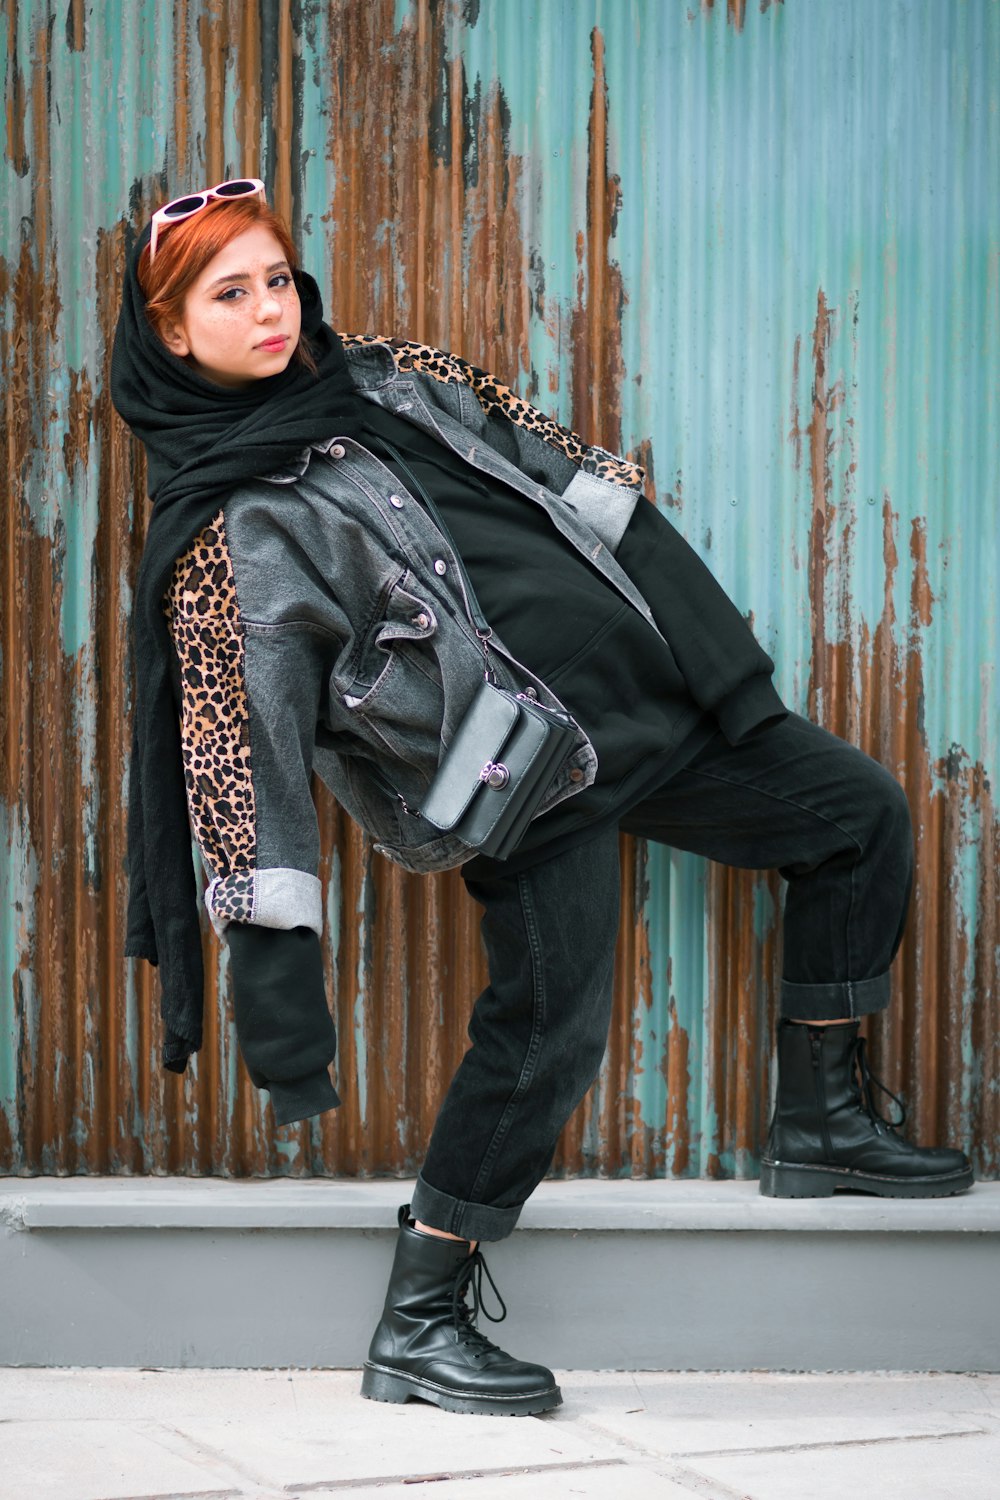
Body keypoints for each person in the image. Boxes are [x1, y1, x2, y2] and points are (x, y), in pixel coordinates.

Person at [111, 179, 973, 1419]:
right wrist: (275, 981)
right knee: (547, 1031)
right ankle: (419, 1316)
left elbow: (587, 486)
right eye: (228, 293)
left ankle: (821, 1120)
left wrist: (727, 677)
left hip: (658, 717)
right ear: (174, 333)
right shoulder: (235, 529)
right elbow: (242, 751)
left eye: (277, 279)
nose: (269, 309)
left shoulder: (393, 373)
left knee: (858, 816)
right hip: (528, 786)